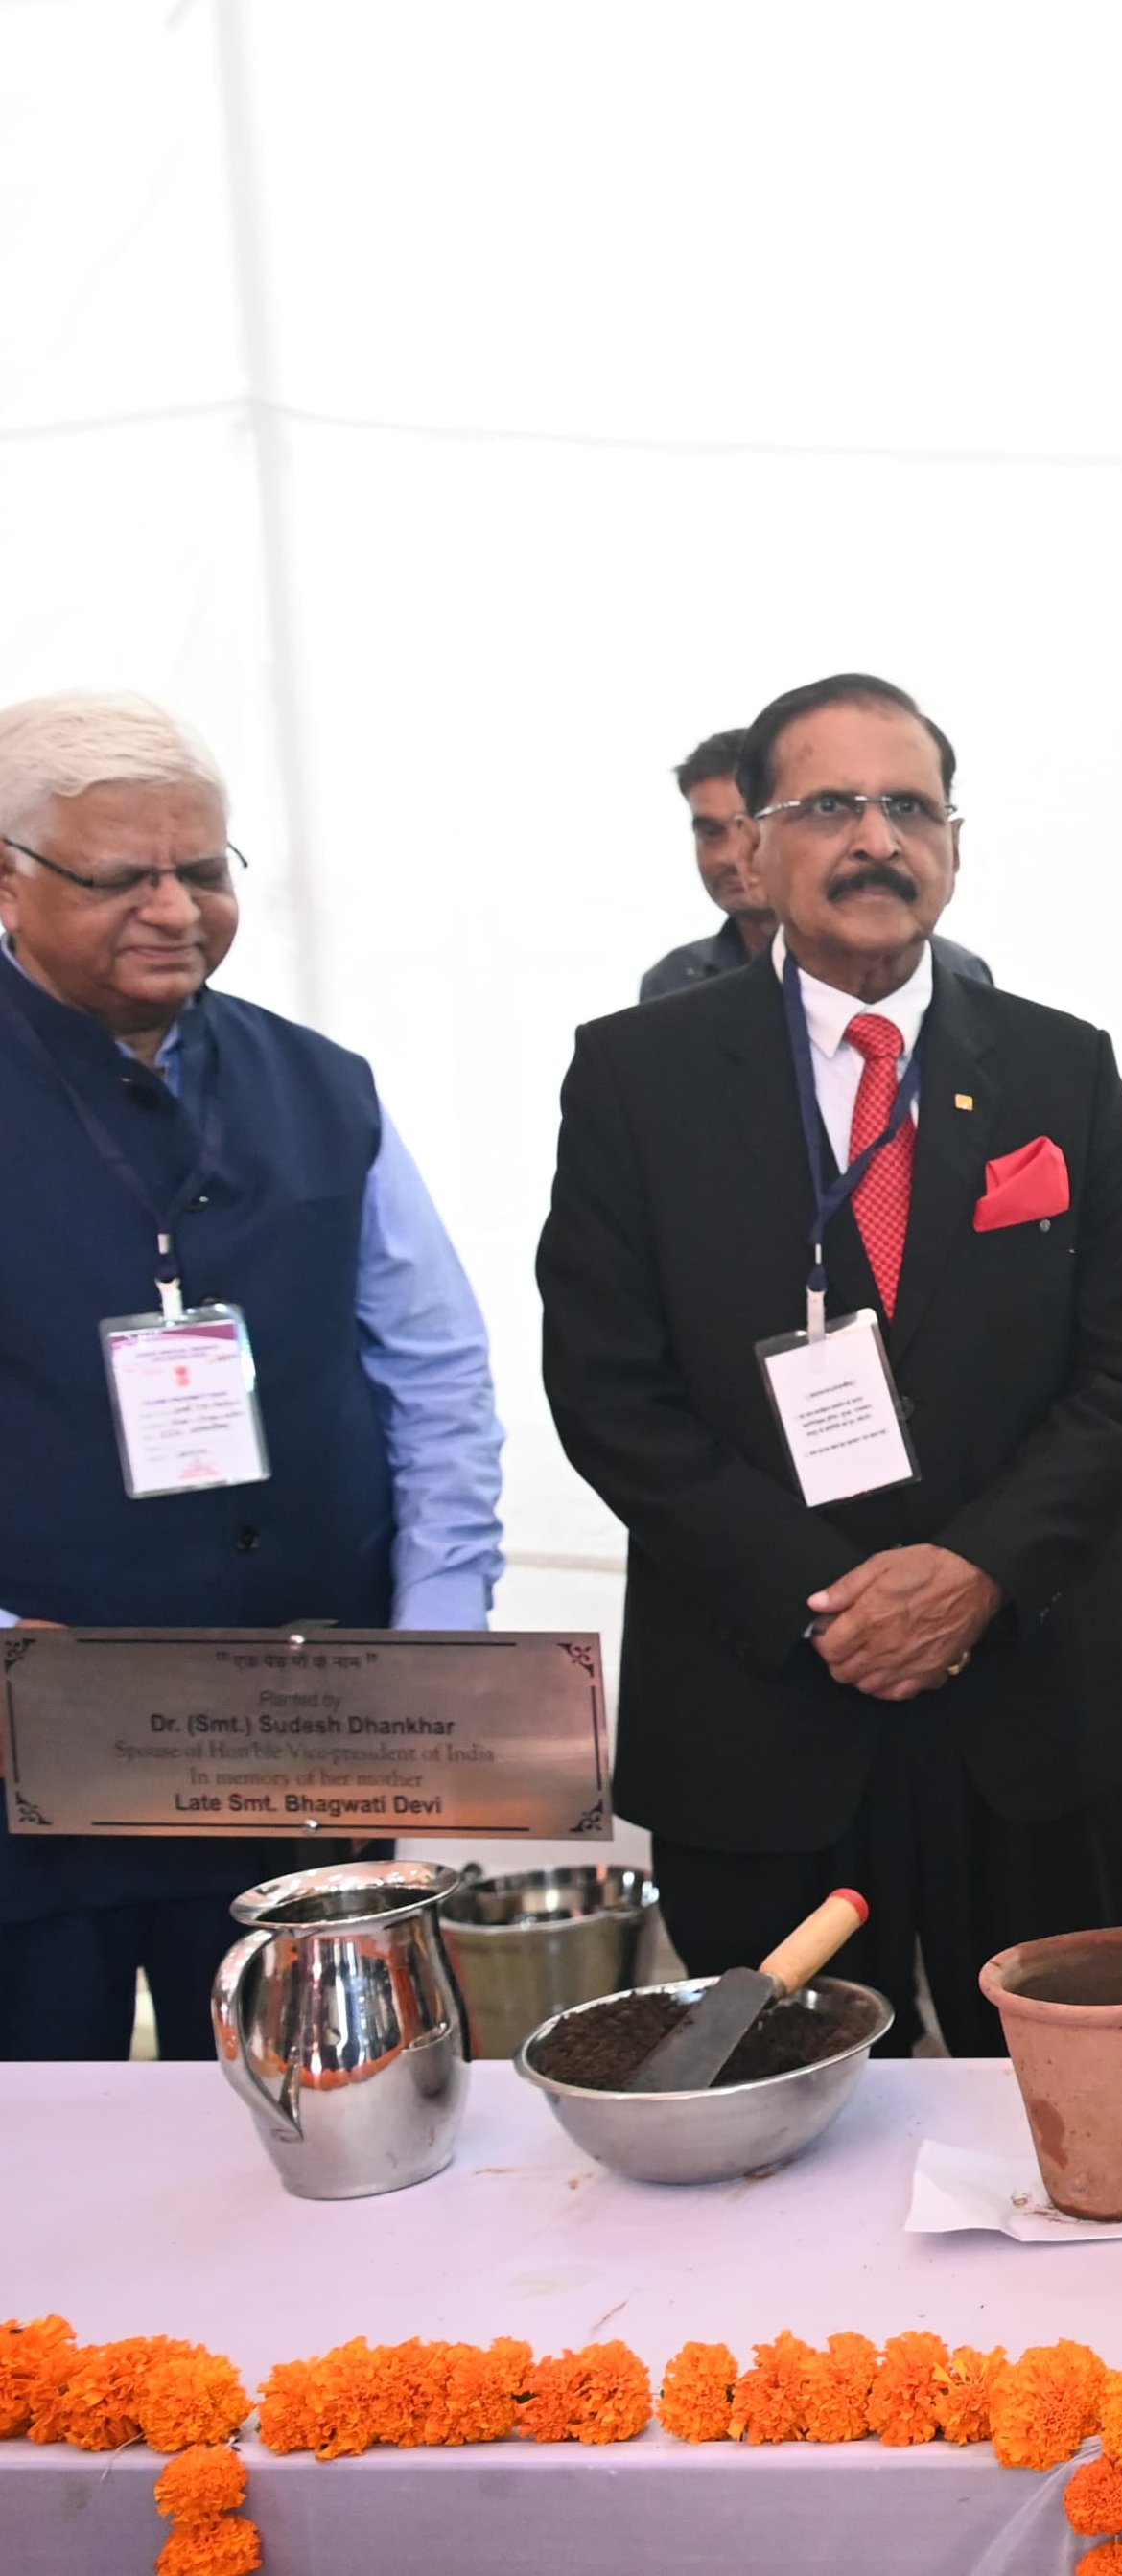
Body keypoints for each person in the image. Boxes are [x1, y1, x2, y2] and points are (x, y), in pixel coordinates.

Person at [540, 672, 1122, 2056]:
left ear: (953, 842)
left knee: (1072, 2108)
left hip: (1032, 1698)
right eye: (828, 805)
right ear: (749, 848)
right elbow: (607, 1389)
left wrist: (972, 1573)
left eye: (908, 806)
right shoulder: (635, 1077)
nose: (873, 838)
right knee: (787, 2139)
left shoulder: (1060, 1068)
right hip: (764, 1703)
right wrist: (823, 1595)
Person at [0, 690, 503, 2059]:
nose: (175, 907)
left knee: (328, 2123)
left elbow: (436, 1372)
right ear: (8, 875)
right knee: (47, 2159)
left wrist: (438, 1649)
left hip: (307, 1730)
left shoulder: (322, 1083)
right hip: (36, 1755)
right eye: (121, 877)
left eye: (204, 870)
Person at [643, 726, 990, 1003]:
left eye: (748, 827)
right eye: (711, 832)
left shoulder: (954, 973)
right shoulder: (674, 981)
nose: (734, 856)